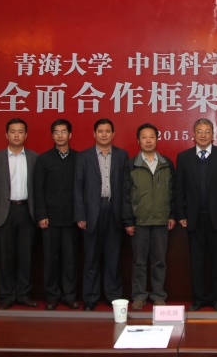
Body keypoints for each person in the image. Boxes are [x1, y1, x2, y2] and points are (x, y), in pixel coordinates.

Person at [174, 118, 217, 311]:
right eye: (199, 131)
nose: (203, 135)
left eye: (207, 131)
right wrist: (181, 214)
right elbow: (179, 188)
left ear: (213, 134)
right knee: (196, 261)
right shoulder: (183, 157)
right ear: (193, 134)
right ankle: (199, 299)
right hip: (193, 218)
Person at [74, 118, 132, 311]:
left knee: (113, 257)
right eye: (100, 131)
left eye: (108, 131)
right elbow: (78, 187)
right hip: (92, 211)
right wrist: (80, 215)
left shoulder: (122, 155)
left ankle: (113, 296)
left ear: (113, 134)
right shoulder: (84, 156)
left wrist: (126, 216)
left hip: (114, 210)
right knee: (91, 257)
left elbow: (126, 187)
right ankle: (90, 297)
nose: (104, 134)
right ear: (94, 134)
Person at [0, 118, 39, 310]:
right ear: (6, 134)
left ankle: (23, 295)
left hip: (26, 211)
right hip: (3, 212)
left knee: (25, 257)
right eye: (13, 131)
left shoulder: (34, 157)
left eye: (20, 131)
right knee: (5, 257)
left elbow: (38, 188)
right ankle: (6, 296)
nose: (16, 135)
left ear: (26, 135)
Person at [124, 123, 175, 310]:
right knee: (139, 262)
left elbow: (173, 191)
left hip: (161, 220)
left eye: (151, 137)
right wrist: (128, 221)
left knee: (159, 261)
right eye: (144, 137)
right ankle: (139, 296)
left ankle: (158, 295)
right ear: (138, 140)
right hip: (140, 221)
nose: (148, 141)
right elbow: (125, 195)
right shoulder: (131, 164)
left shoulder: (166, 163)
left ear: (157, 139)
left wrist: (172, 214)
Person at [35, 119, 80, 310]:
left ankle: (70, 295)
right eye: (56, 132)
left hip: (71, 218)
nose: (60, 135)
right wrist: (41, 214)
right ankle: (52, 296)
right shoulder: (44, 159)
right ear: (52, 135)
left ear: (70, 135)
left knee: (70, 260)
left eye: (63, 132)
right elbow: (38, 189)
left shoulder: (79, 158)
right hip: (50, 219)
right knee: (50, 260)